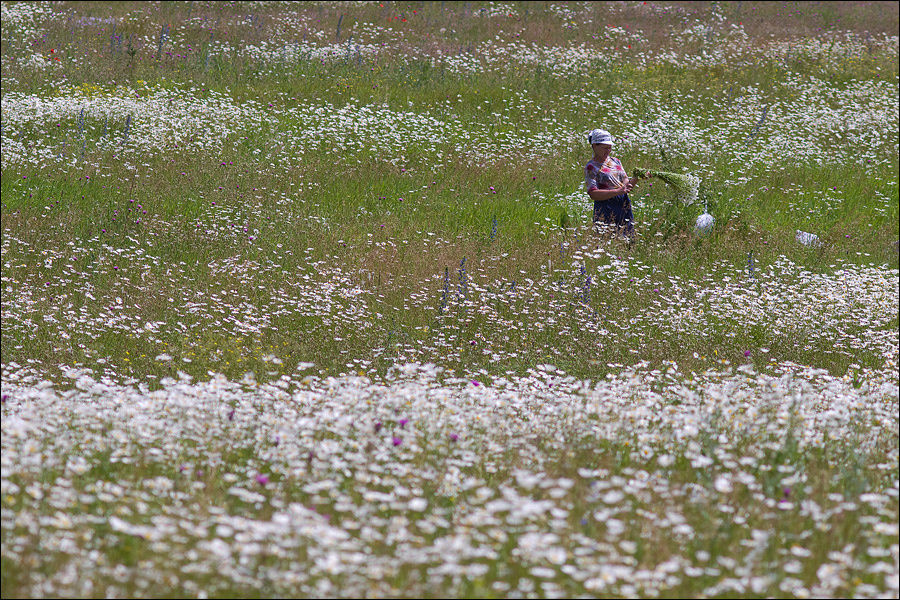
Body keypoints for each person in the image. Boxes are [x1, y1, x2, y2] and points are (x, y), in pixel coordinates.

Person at [584, 129, 636, 237]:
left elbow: (625, 181)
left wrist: (637, 177)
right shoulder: (591, 167)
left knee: (628, 238)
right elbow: (593, 194)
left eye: (610, 147)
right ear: (594, 146)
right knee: (606, 239)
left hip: (623, 204)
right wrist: (617, 191)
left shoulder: (615, 161)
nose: (608, 151)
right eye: (605, 148)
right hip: (605, 206)